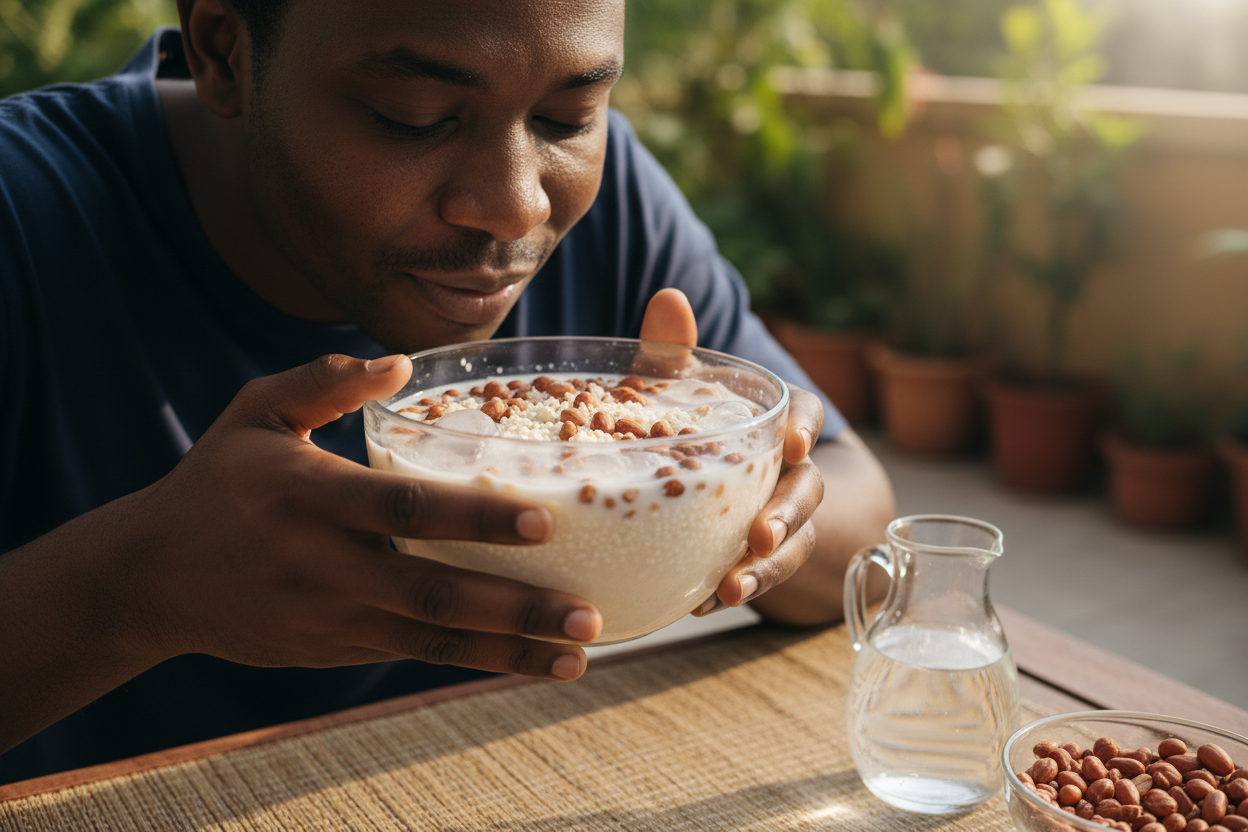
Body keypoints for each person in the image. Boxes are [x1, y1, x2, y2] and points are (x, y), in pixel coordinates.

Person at [0, 0, 895, 783]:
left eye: (567, 114)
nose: (514, 206)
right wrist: (137, 585)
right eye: (415, 116)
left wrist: (733, 491)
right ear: (227, 51)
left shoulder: (609, 202)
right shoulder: (28, 220)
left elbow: (859, 514)